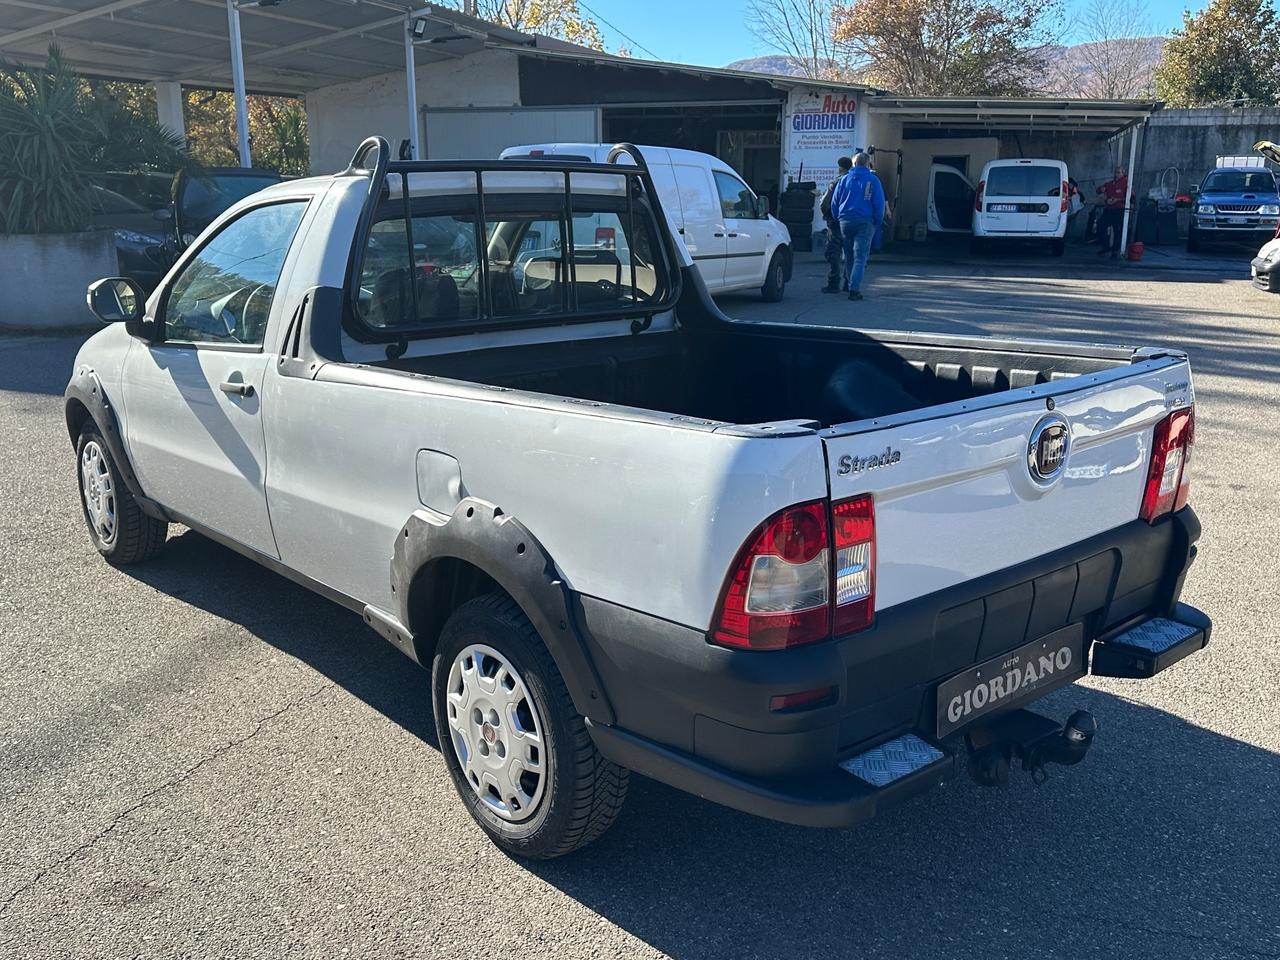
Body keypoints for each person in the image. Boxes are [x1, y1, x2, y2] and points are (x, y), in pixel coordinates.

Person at [830, 152, 885, 301]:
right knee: (860, 257)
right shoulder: (873, 180)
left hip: (845, 222)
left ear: (854, 163)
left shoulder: (844, 179)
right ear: (868, 164)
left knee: (848, 256)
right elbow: (879, 203)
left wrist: (837, 217)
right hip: (865, 222)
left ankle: (849, 284)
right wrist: (878, 221)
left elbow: (835, 201)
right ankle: (854, 289)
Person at [819, 156, 853, 293]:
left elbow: (824, 202)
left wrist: (827, 215)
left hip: (836, 221)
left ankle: (834, 282)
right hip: (852, 220)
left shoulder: (836, 182)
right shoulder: (855, 182)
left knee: (834, 252)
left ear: (840, 167)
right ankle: (849, 282)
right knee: (850, 252)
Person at [1096, 165, 1128, 258]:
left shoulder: (1126, 184)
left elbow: (1130, 198)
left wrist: (1117, 200)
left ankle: (1115, 250)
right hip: (1108, 209)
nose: (1116, 174)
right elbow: (1098, 190)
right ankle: (1105, 246)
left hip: (1119, 210)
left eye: (1119, 172)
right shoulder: (1110, 183)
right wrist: (1101, 189)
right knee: (1100, 225)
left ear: (1123, 173)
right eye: (1115, 172)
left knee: (1117, 230)